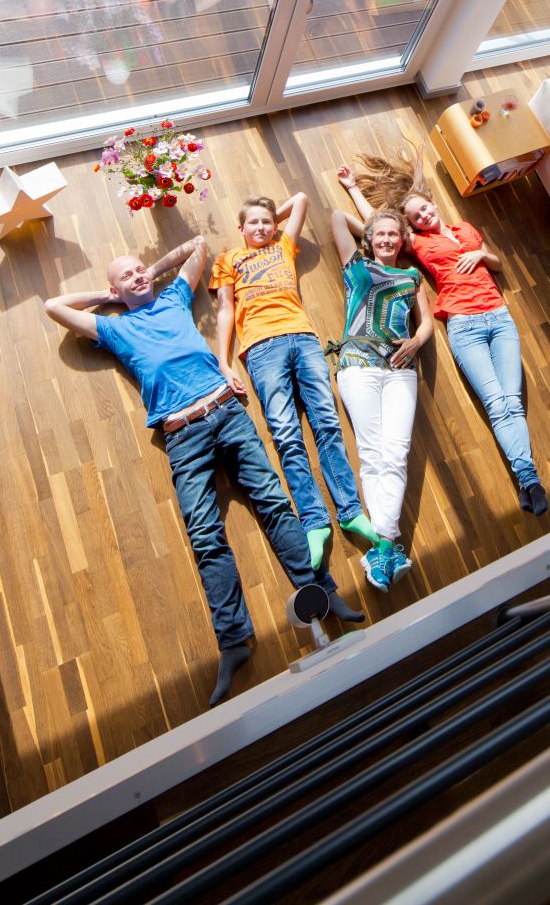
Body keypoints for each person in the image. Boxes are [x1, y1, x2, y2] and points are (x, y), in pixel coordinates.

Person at [44, 239, 362, 706]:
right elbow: (54, 305)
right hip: (182, 434)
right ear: (115, 288)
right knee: (205, 535)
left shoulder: (172, 297)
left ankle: (320, 591)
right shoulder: (113, 329)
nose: (137, 276)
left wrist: (151, 269)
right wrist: (107, 295)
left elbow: (196, 247)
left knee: (273, 504)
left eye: (139, 269)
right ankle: (234, 641)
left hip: (226, 411)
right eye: (126, 275)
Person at [338, 154, 549, 515]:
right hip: (463, 323)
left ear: (434, 205)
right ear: (413, 226)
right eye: (416, 218)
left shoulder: (466, 230)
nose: (424, 218)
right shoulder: (418, 244)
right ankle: (528, 478)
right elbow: (376, 229)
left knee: (512, 400)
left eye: (425, 210)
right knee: (497, 404)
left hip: (499, 317)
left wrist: (481, 258)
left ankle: (528, 480)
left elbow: (497, 263)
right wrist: (354, 189)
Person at [210, 193, 377, 568]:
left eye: (267, 222)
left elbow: (302, 198)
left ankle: (350, 511)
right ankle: (316, 521)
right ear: (240, 229)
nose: (262, 227)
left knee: (327, 424)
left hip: (303, 337)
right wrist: (223, 362)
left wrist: (270, 218)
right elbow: (225, 309)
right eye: (253, 223)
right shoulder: (228, 260)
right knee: (286, 435)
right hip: (260, 347)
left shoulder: (284, 244)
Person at [325, 188, 435, 590]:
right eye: (381, 235)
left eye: (395, 235)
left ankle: (382, 548)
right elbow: (339, 217)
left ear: (404, 241)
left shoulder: (411, 276)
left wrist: (417, 342)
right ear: (369, 240)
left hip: (401, 367)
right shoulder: (356, 267)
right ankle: (387, 545)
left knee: (397, 452)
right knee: (373, 454)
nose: (389, 240)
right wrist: (374, 226)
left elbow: (426, 322)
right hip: (358, 365)